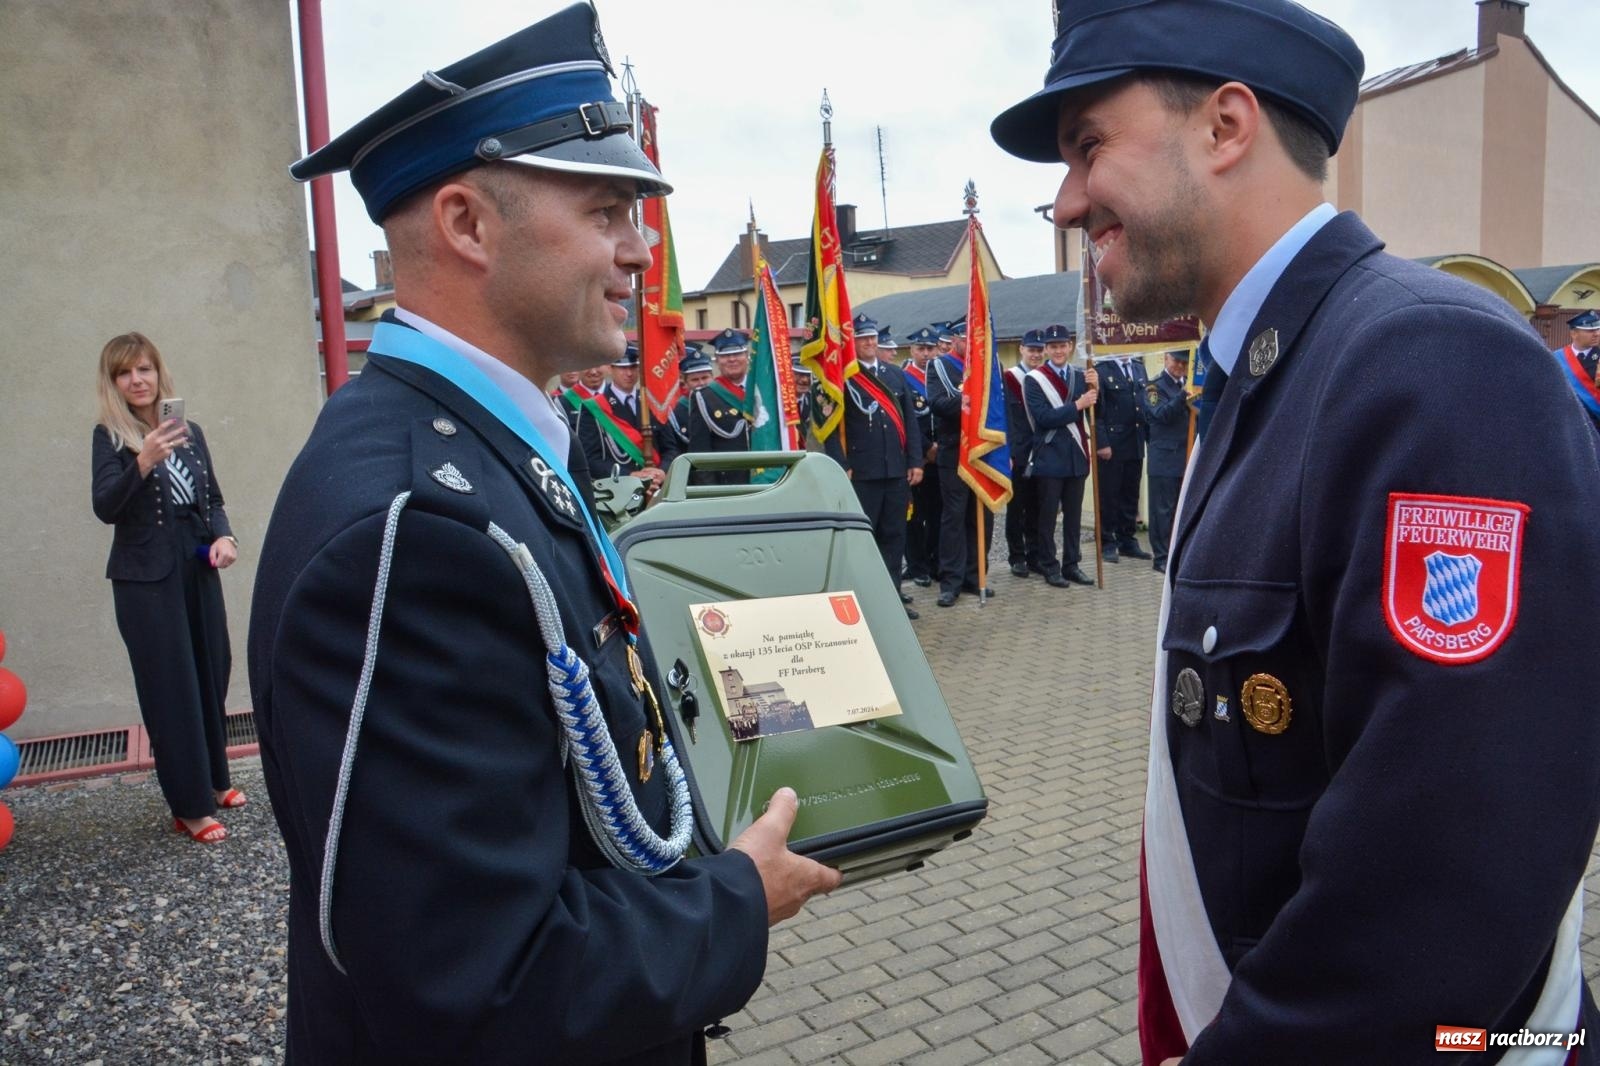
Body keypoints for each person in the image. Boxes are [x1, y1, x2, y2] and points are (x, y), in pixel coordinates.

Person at [992, 1, 1600, 1062]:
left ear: (1226, 127)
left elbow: (1445, 884)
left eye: (1089, 146)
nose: (1067, 198)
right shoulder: (1269, 373)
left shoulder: (1431, 367)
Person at [251, 8, 839, 1063]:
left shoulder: (478, 450)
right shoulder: (415, 521)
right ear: (469, 225)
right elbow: (479, 979)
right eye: (609, 209)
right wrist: (735, 898)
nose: (642, 248)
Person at [91, 332, 242, 844]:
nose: (137, 380)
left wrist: (224, 535)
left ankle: (215, 780)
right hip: (145, 578)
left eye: (145, 369)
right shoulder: (110, 436)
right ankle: (190, 807)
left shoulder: (189, 431)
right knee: (171, 687)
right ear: (114, 383)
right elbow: (105, 507)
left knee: (210, 670)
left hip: (196, 562)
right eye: (125, 373)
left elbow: (213, 498)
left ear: (160, 374)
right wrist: (144, 460)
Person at [824, 315, 924, 620]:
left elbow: (910, 422)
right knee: (862, 539)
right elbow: (830, 427)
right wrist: (841, 465)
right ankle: (864, 602)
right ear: (851, 343)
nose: (869, 343)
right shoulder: (842, 378)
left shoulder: (894, 375)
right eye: (862, 339)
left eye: (872, 338)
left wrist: (915, 461)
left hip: (895, 471)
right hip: (862, 473)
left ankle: (891, 597)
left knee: (894, 536)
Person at [926, 320, 996, 607]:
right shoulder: (941, 366)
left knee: (981, 517)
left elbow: (1001, 409)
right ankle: (951, 581)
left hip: (984, 452)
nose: (972, 343)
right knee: (953, 517)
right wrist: (970, 401)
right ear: (955, 339)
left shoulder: (991, 366)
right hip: (955, 450)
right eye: (967, 338)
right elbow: (938, 403)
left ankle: (975, 575)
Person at [1024, 324, 1097, 589]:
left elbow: (1094, 413)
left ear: (1069, 347)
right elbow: (1043, 418)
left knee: (1074, 517)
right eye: (1052, 346)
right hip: (1049, 457)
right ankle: (1049, 565)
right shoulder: (1034, 379)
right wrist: (1078, 404)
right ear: (1046, 350)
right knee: (1047, 517)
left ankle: (1072, 564)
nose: (1058, 350)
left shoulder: (1080, 376)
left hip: (1076, 455)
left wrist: (1096, 389)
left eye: (1062, 345)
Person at [577, 343, 666, 493]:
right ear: (610, 369)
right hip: (620, 490)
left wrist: (662, 471)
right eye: (623, 368)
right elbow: (589, 459)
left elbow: (670, 448)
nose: (629, 374)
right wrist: (629, 475)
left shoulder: (653, 402)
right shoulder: (594, 407)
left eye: (633, 367)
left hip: (658, 487)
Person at [1091, 350, 1150, 563]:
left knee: (1130, 494)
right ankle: (1107, 542)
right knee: (1109, 495)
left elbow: (1144, 404)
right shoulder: (1101, 370)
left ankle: (1127, 539)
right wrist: (1102, 443)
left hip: (1135, 441)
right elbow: (1096, 412)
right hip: (1112, 445)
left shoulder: (1138, 367)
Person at [1140, 349, 1194, 574]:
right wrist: (1183, 395)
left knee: (1180, 511)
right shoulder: (1154, 386)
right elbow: (1161, 413)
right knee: (1162, 511)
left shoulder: (1191, 385)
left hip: (1186, 455)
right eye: (1176, 361)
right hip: (1164, 457)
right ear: (1165, 358)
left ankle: (1177, 553)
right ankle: (1160, 557)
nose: (1179, 366)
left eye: (1184, 362)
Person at [1002, 330, 1046, 577]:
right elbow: (1005, 419)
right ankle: (1016, 556)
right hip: (1018, 453)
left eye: (1039, 350)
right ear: (1021, 350)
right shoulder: (1009, 379)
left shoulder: (1046, 378)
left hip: (1042, 452)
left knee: (1038, 507)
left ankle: (1035, 555)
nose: (1036, 355)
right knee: (1016, 508)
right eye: (1032, 350)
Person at [901, 327, 942, 586]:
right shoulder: (903, 378)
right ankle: (916, 566)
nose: (926, 354)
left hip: (941, 457)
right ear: (912, 351)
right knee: (914, 517)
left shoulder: (943, 375)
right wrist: (927, 448)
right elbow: (907, 422)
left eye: (930, 349)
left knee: (938, 513)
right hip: (918, 457)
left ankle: (932, 560)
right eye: (921, 349)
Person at [687, 328, 754, 485]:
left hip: (768, 481)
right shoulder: (704, 397)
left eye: (737, 354)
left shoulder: (762, 391)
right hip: (729, 485)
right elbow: (700, 453)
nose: (732, 359)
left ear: (747, 356)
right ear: (717, 360)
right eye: (725, 356)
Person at [1553, 309, 1600, 432]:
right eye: (1590, 330)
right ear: (1574, 334)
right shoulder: (1556, 358)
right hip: (1569, 424)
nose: (1596, 334)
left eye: (1598, 329)